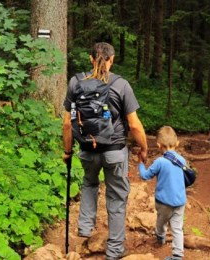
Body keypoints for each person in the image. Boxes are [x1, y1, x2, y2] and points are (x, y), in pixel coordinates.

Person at [62, 42, 148, 260]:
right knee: (117, 197)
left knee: (90, 183)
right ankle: (115, 251)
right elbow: (135, 125)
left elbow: (66, 123)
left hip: (87, 149)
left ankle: (84, 227)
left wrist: (67, 151)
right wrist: (144, 148)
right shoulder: (121, 85)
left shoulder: (76, 82)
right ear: (112, 59)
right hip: (115, 151)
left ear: (91, 59)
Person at [138, 126, 186, 260]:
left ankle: (160, 237)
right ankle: (177, 255)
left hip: (164, 202)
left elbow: (145, 176)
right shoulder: (181, 160)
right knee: (177, 228)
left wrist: (140, 164)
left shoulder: (160, 161)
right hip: (180, 200)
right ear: (177, 144)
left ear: (159, 145)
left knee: (161, 222)